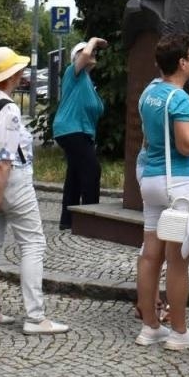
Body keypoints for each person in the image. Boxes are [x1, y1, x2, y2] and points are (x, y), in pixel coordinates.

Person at [0, 46, 69, 335]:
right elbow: (4, 159)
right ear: (11, 75)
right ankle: (35, 317)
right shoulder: (9, 109)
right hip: (11, 181)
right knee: (33, 243)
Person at [134, 32, 189, 350]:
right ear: (182, 63)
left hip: (152, 181)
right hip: (180, 185)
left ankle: (150, 327)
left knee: (150, 255)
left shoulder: (150, 92)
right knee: (178, 260)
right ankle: (180, 333)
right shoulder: (179, 99)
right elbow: (186, 144)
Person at [55, 36, 107, 231]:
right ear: (76, 58)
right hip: (71, 129)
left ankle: (67, 220)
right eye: (87, 51)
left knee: (75, 174)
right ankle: (89, 221)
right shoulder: (73, 73)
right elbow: (85, 54)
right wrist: (93, 40)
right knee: (92, 170)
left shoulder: (86, 81)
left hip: (79, 132)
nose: (92, 53)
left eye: (93, 51)